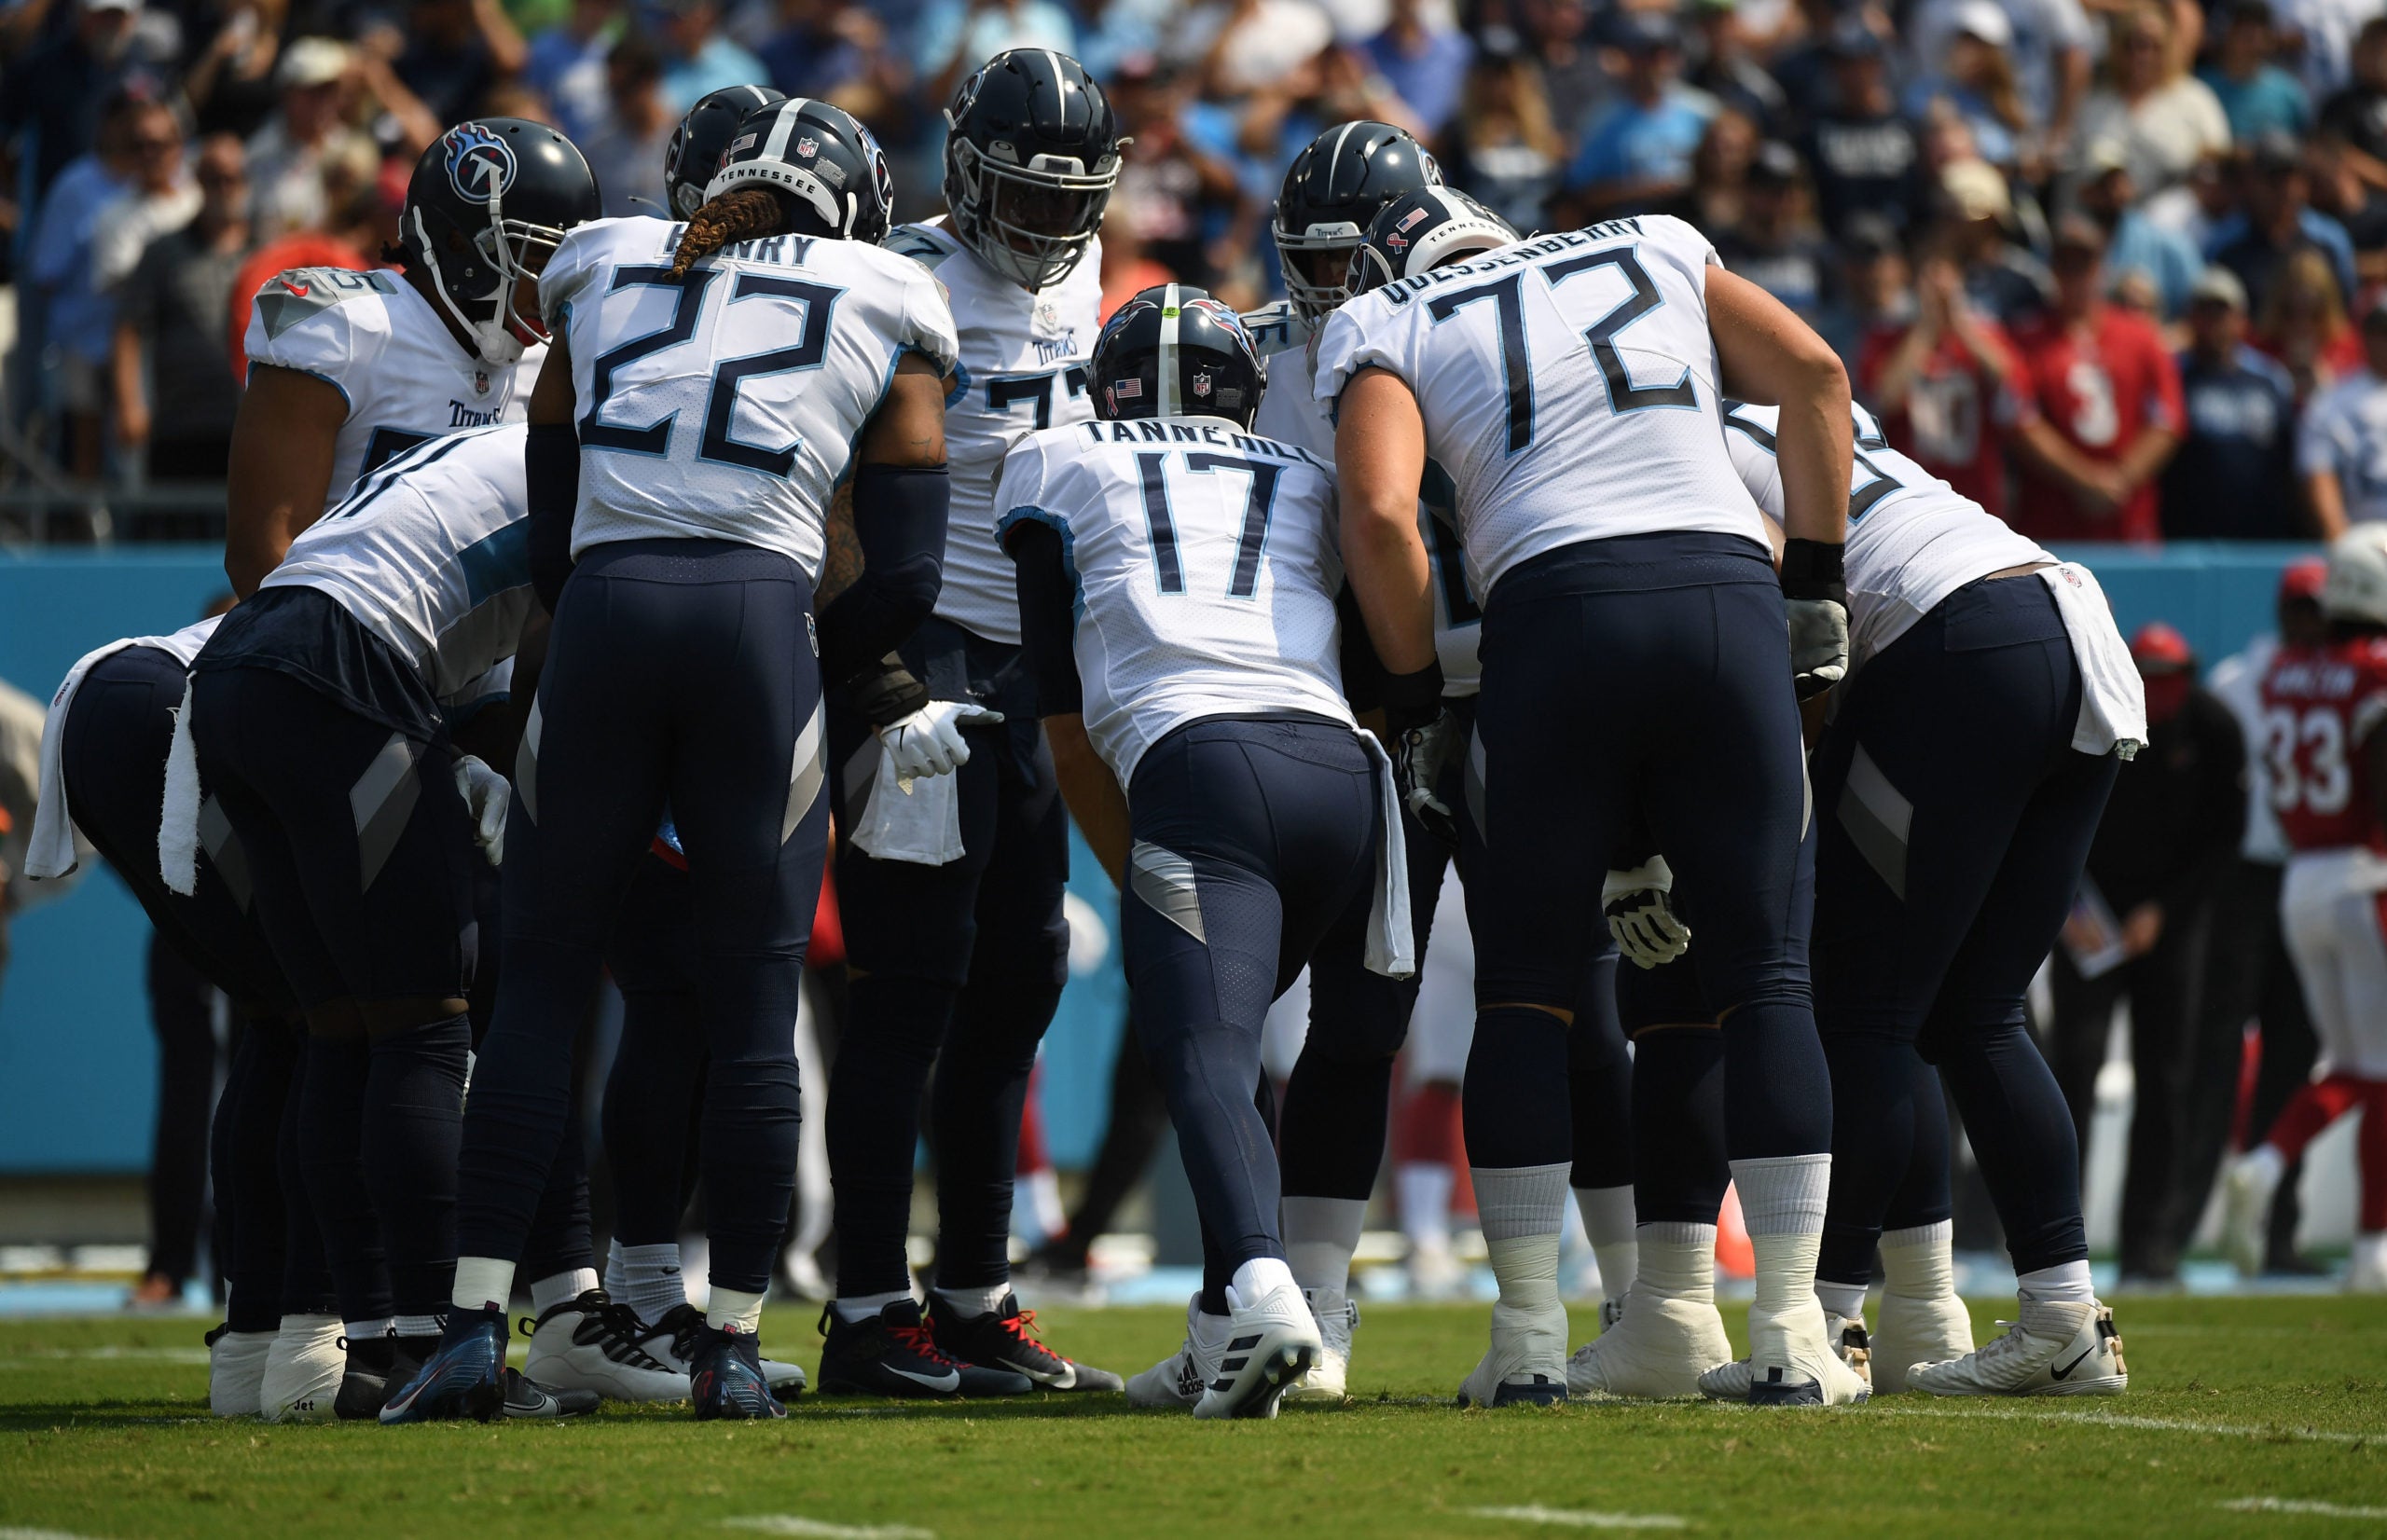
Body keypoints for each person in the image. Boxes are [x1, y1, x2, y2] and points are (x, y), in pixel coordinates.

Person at [387, 96, 959, 1423]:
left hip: (601, 613)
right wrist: (807, 655)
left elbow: (548, 514)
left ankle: (475, 1327)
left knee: (535, 989)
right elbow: (915, 568)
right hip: (757, 624)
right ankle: (736, 1346)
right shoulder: (889, 290)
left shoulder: (596, 262)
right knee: (754, 1003)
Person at [1321, 204, 1863, 1404]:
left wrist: (1416, 696)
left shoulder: (1384, 317)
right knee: (1765, 977)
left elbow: (1378, 515)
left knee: (1523, 994)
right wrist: (1816, 584)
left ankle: (1525, 1340)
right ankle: (1787, 1329)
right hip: (1724, 589)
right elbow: (1818, 375)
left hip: (1553, 613)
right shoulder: (1652, 243)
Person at [997, 283, 1396, 1420]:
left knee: (1202, 1052)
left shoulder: (1056, 458)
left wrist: (1136, 863)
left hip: (1198, 763)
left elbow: (1062, 712)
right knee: (1288, 1051)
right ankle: (1225, 1318)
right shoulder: (1305, 473)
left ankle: (1268, 1296)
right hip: (1345, 770)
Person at [1719, 398, 2141, 1396]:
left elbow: (1784, 597)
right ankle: (2063, 1318)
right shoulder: (1804, 404)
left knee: (1866, 1011)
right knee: (1973, 1013)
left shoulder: (1687, 434)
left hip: (1951, 641)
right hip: (2068, 618)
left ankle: (1820, 1326)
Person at [820, 49, 1124, 1400]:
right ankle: (869, 1310)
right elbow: (812, 467)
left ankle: (974, 1294)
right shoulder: (892, 276)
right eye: (1023, 196)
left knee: (1019, 982)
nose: (1050, 228)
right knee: (908, 985)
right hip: (922, 644)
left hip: (1040, 662)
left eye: (1072, 203)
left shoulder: (1096, 267)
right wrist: (873, 667)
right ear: (960, 167)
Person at [21, 610, 321, 1418]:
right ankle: (304, 1317)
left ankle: (253, 1321)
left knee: (274, 1030)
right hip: (161, 749)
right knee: (323, 1024)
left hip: (104, 729)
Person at [224, 117, 596, 596]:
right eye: (538, 262)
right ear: (460, 245)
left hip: (481, 659)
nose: (551, 290)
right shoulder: (344, 325)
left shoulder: (550, 365)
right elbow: (262, 554)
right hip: (344, 648)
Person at [2046, 623, 2246, 1285]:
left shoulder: (2214, 729)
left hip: (2172, 917)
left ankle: (2149, 1249)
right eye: (2148, 676)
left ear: (2186, 679)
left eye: (2170, 678)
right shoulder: (2093, 719)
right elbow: (2052, 811)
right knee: (2072, 1066)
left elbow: (2224, 838)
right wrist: (2078, 905)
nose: (2158, 693)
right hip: (2091, 911)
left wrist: (2165, 912)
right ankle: (2052, 1241)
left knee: (2166, 1078)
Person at [2228, 528, 2387, 1295]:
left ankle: (2269, 1165)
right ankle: (2366, 1245)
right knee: (2376, 1071)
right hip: (2365, 872)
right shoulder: (2372, 671)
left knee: (2357, 1065)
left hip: (2301, 878)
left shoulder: (2286, 669)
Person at [2201, 559, 2328, 1277]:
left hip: (2303, 871)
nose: (2310, 622)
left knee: (2295, 1055)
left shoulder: (2251, 681)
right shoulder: (2238, 683)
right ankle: (2181, 1228)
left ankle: (2278, 1229)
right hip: (2247, 880)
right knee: (2215, 1052)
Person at [2008, 215, 2184, 544]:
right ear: (2052, 270)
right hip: (2053, 520)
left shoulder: (2139, 335)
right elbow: (2021, 420)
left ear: (2100, 268)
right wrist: (2084, 479)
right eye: (2065, 264)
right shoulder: (2027, 340)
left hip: (2128, 520)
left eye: (2084, 264)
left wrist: (2120, 479)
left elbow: (2168, 418)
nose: (2075, 275)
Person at [113, 132, 255, 485]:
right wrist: (130, 404)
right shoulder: (163, 252)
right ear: (198, 182)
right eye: (212, 179)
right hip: (180, 424)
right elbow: (129, 327)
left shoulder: (269, 252)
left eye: (231, 178)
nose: (223, 188)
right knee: (171, 531)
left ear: (246, 183)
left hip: (252, 423)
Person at [1859, 246, 2028, 517]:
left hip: (1977, 492)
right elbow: (1883, 399)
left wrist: (1958, 322)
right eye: (1929, 275)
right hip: (1912, 496)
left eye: (1945, 274)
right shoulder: (1887, 338)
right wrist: (1926, 327)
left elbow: (2011, 384)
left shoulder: (1984, 335)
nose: (1938, 286)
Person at [2162, 268, 2305, 541]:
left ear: (2241, 320)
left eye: (2221, 313)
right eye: (2204, 313)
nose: (2213, 323)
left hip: (2261, 535)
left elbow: (2289, 454)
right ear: (2191, 318)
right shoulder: (2174, 375)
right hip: (2188, 535)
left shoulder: (2269, 379)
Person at [1559, 11, 1716, 225]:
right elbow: (1581, 194)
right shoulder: (1601, 119)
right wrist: (1645, 190)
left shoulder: (1703, 111)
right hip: (1626, 230)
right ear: (1629, 58)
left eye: (1667, 53)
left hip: (1697, 226)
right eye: (1649, 54)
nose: (1659, 63)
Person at [2076, 1, 2229, 197]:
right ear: (2118, 48)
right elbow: (2071, 178)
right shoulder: (2093, 102)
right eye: (2134, 44)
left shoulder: (2196, 99)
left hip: (2176, 219)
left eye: (2153, 46)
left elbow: (2219, 167)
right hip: (2097, 220)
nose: (2143, 55)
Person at [2298, 296, 2387, 535]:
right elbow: (2319, 473)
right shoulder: (2332, 402)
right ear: (2365, 336)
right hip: (2364, 539)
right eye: (2380, 331)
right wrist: (2341, 540)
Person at [2202, 1, 2315, 142]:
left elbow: (2306, 143)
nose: (2253, 39)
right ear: (2227, 34)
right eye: (2244, 31)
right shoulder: (2203, 88)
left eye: (2260, 30)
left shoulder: (2288, 92)